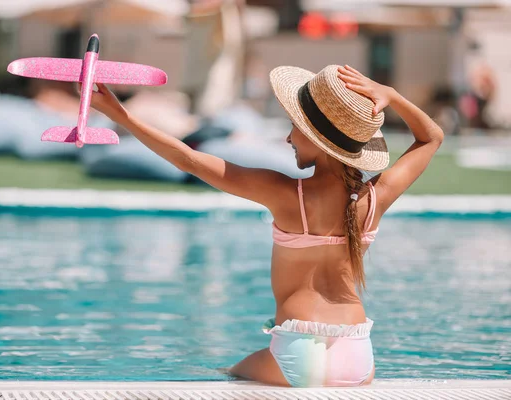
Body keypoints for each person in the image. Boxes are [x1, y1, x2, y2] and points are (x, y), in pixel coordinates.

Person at [86, 64, 444, 387]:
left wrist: (122, 115)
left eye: (294, 128)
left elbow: (190, 160)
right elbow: (431, 138)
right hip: (358, 355)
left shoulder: (285, 193)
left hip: (297, 354)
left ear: (319, 142)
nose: (289, 138)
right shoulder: (374, 199)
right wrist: (392, 95)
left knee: (225, 375)